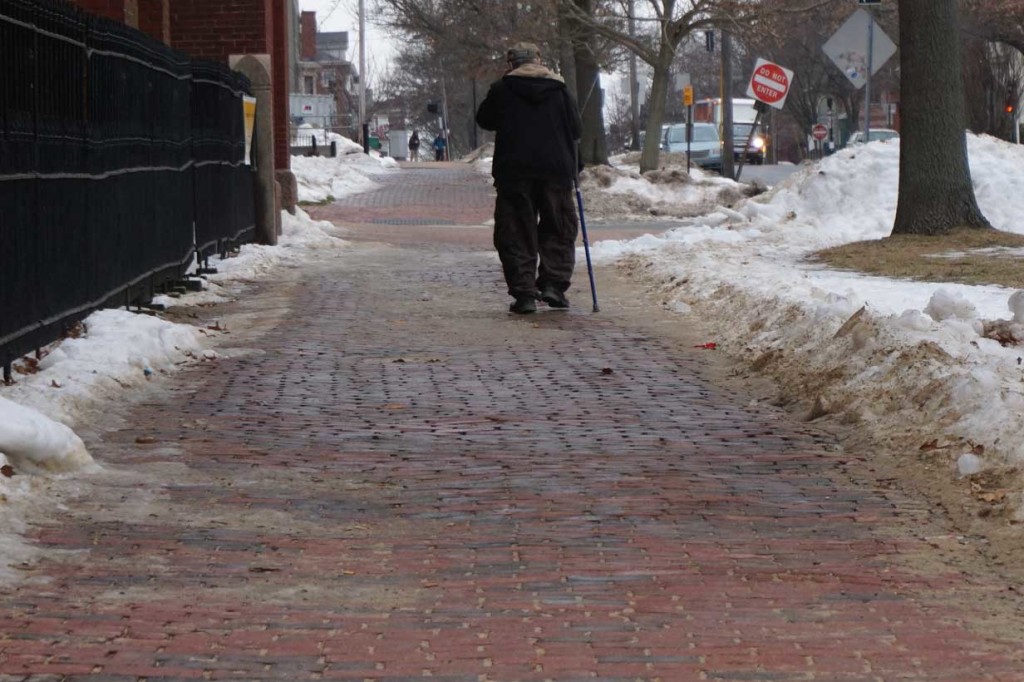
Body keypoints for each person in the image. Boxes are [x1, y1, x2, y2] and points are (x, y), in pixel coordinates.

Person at [475, 41, 582, 314]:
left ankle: (524, 294)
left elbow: (484, 119)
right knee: (558, 228)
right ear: (539, 61)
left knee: (515, 231)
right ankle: (553, 286)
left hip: (514, 171)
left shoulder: (502, 89)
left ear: (512, 64)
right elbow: (576, 129)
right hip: (556, 170)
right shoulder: (560, 90)